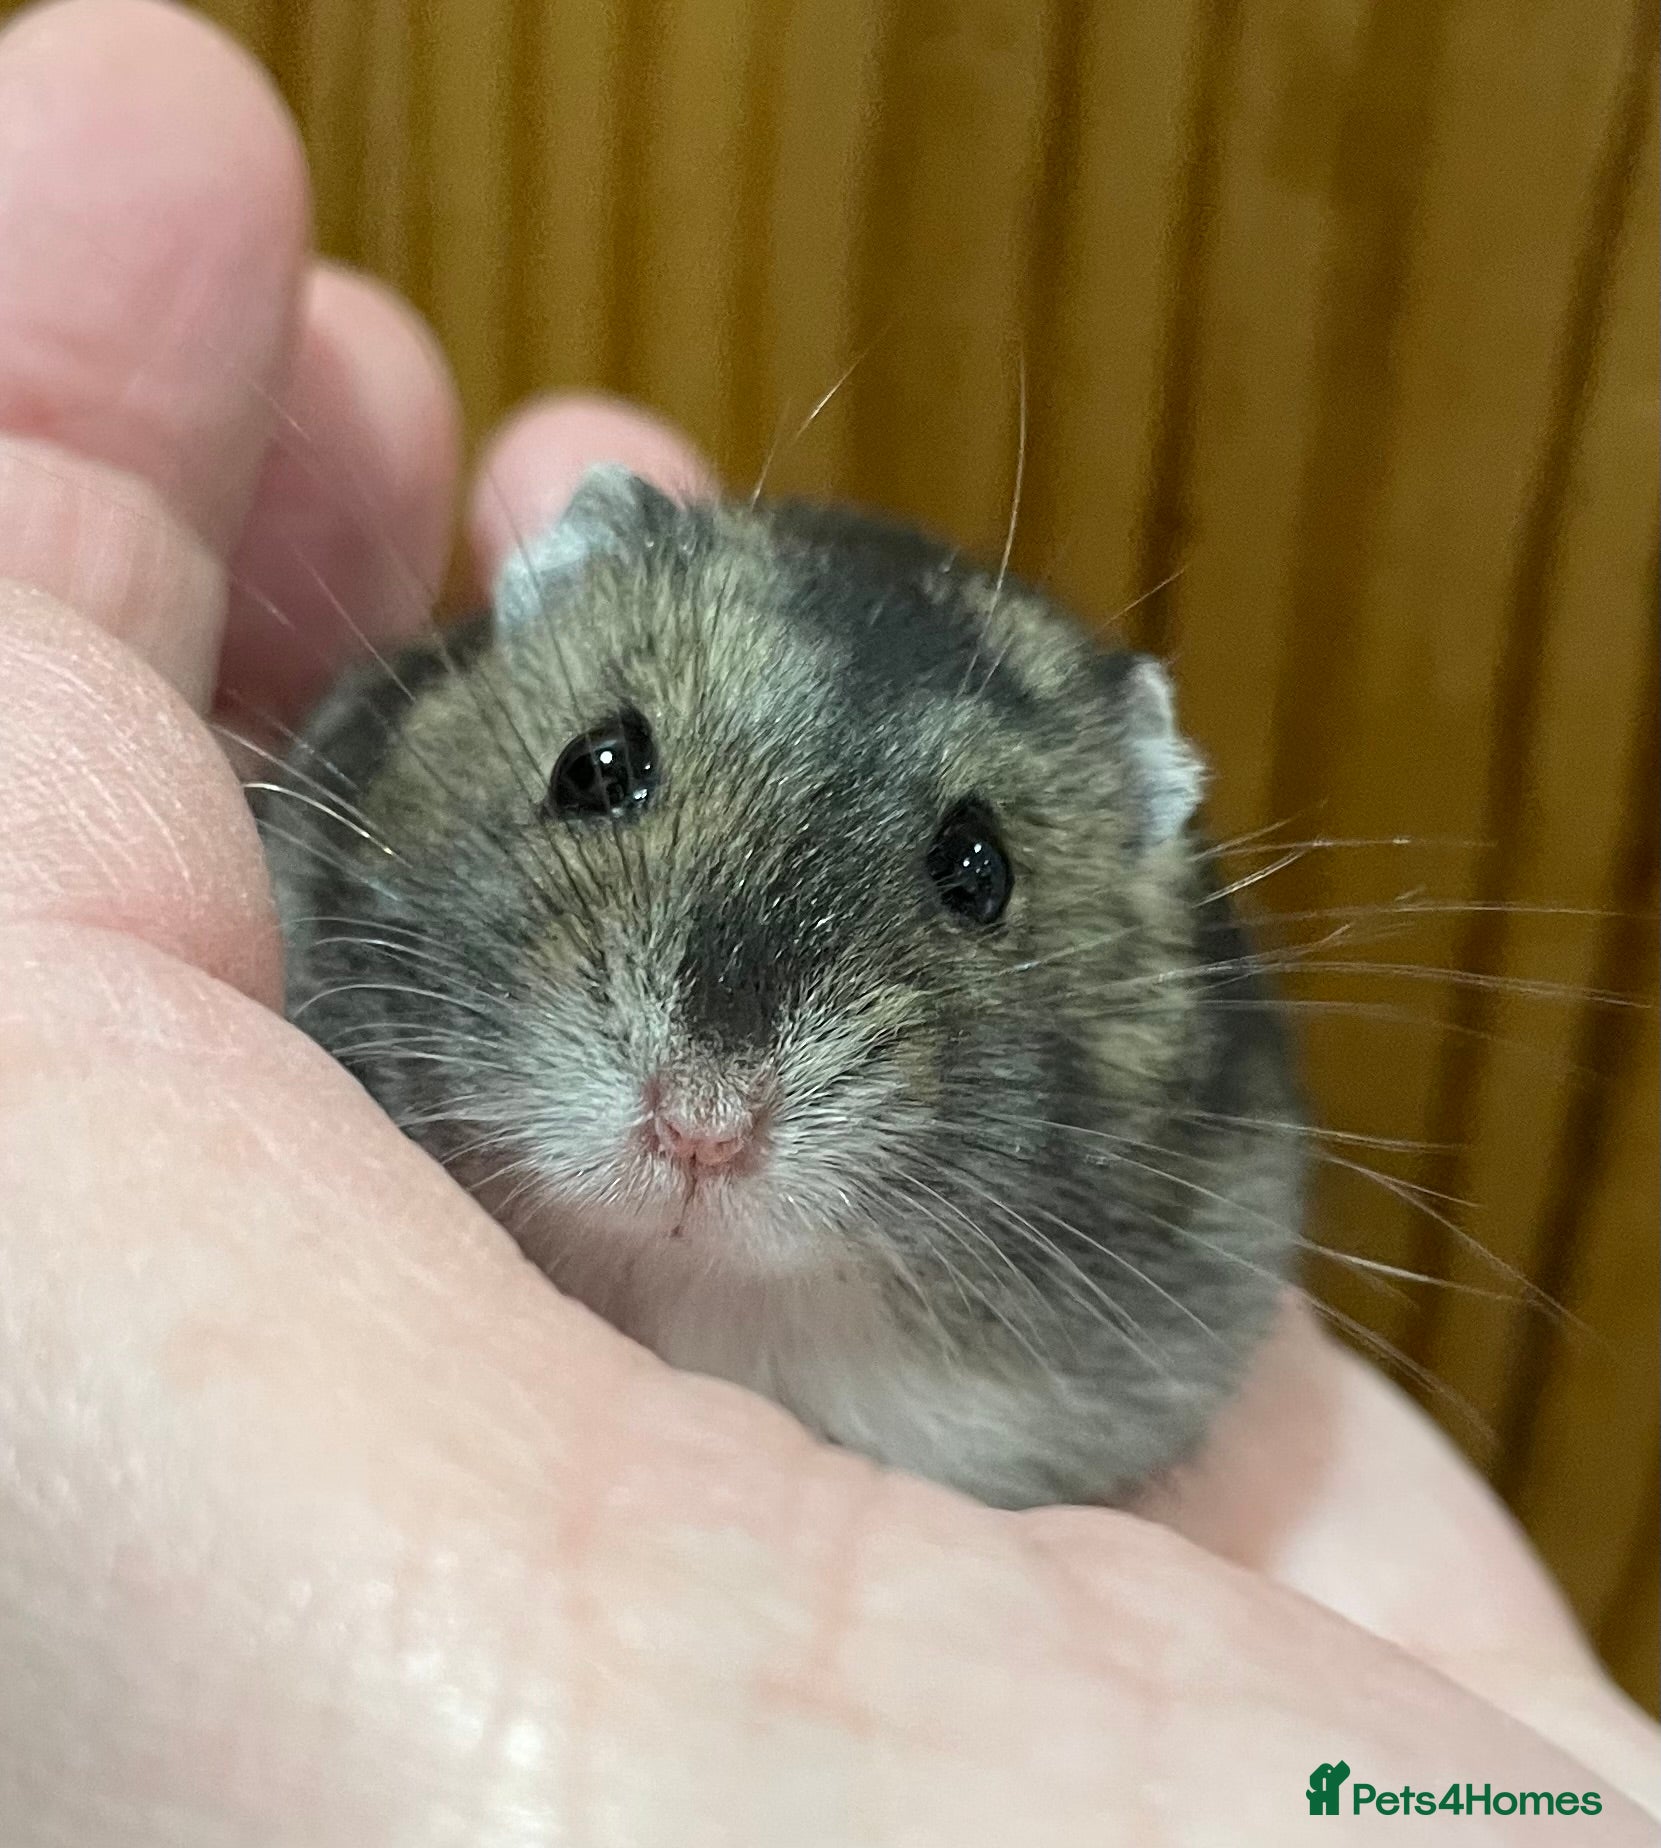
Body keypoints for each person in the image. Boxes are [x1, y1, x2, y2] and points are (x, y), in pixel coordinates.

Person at [0, 2, 1653, 1839]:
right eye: (612, 779)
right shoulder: (350, 850)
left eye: (972, 881)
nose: (701, 1102)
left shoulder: (1146, 1230)